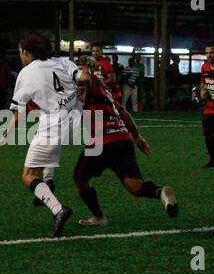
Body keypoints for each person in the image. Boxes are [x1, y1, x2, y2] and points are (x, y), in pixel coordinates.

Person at [0, 33, 90, 237]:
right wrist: (83, 92)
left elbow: (19, 112)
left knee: (29, 175)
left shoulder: (26, 73)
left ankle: (58, 210)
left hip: (53, 125)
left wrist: (6, 133)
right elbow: (84, 78)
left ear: (27, 52)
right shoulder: (61, 62)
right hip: (74, 121)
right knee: (47, 140)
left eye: (21, 51)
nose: (20, 55)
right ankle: (48, 180)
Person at [74, 55, 178, 225]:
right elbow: (123, 113)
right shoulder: (105, 89)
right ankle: (161, 193)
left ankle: (98, 217)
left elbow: (84, 79)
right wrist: (137, 137)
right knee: (135, 186)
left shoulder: (88, 80)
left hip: (102, 141)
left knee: (80, 177)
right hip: (123, 138)